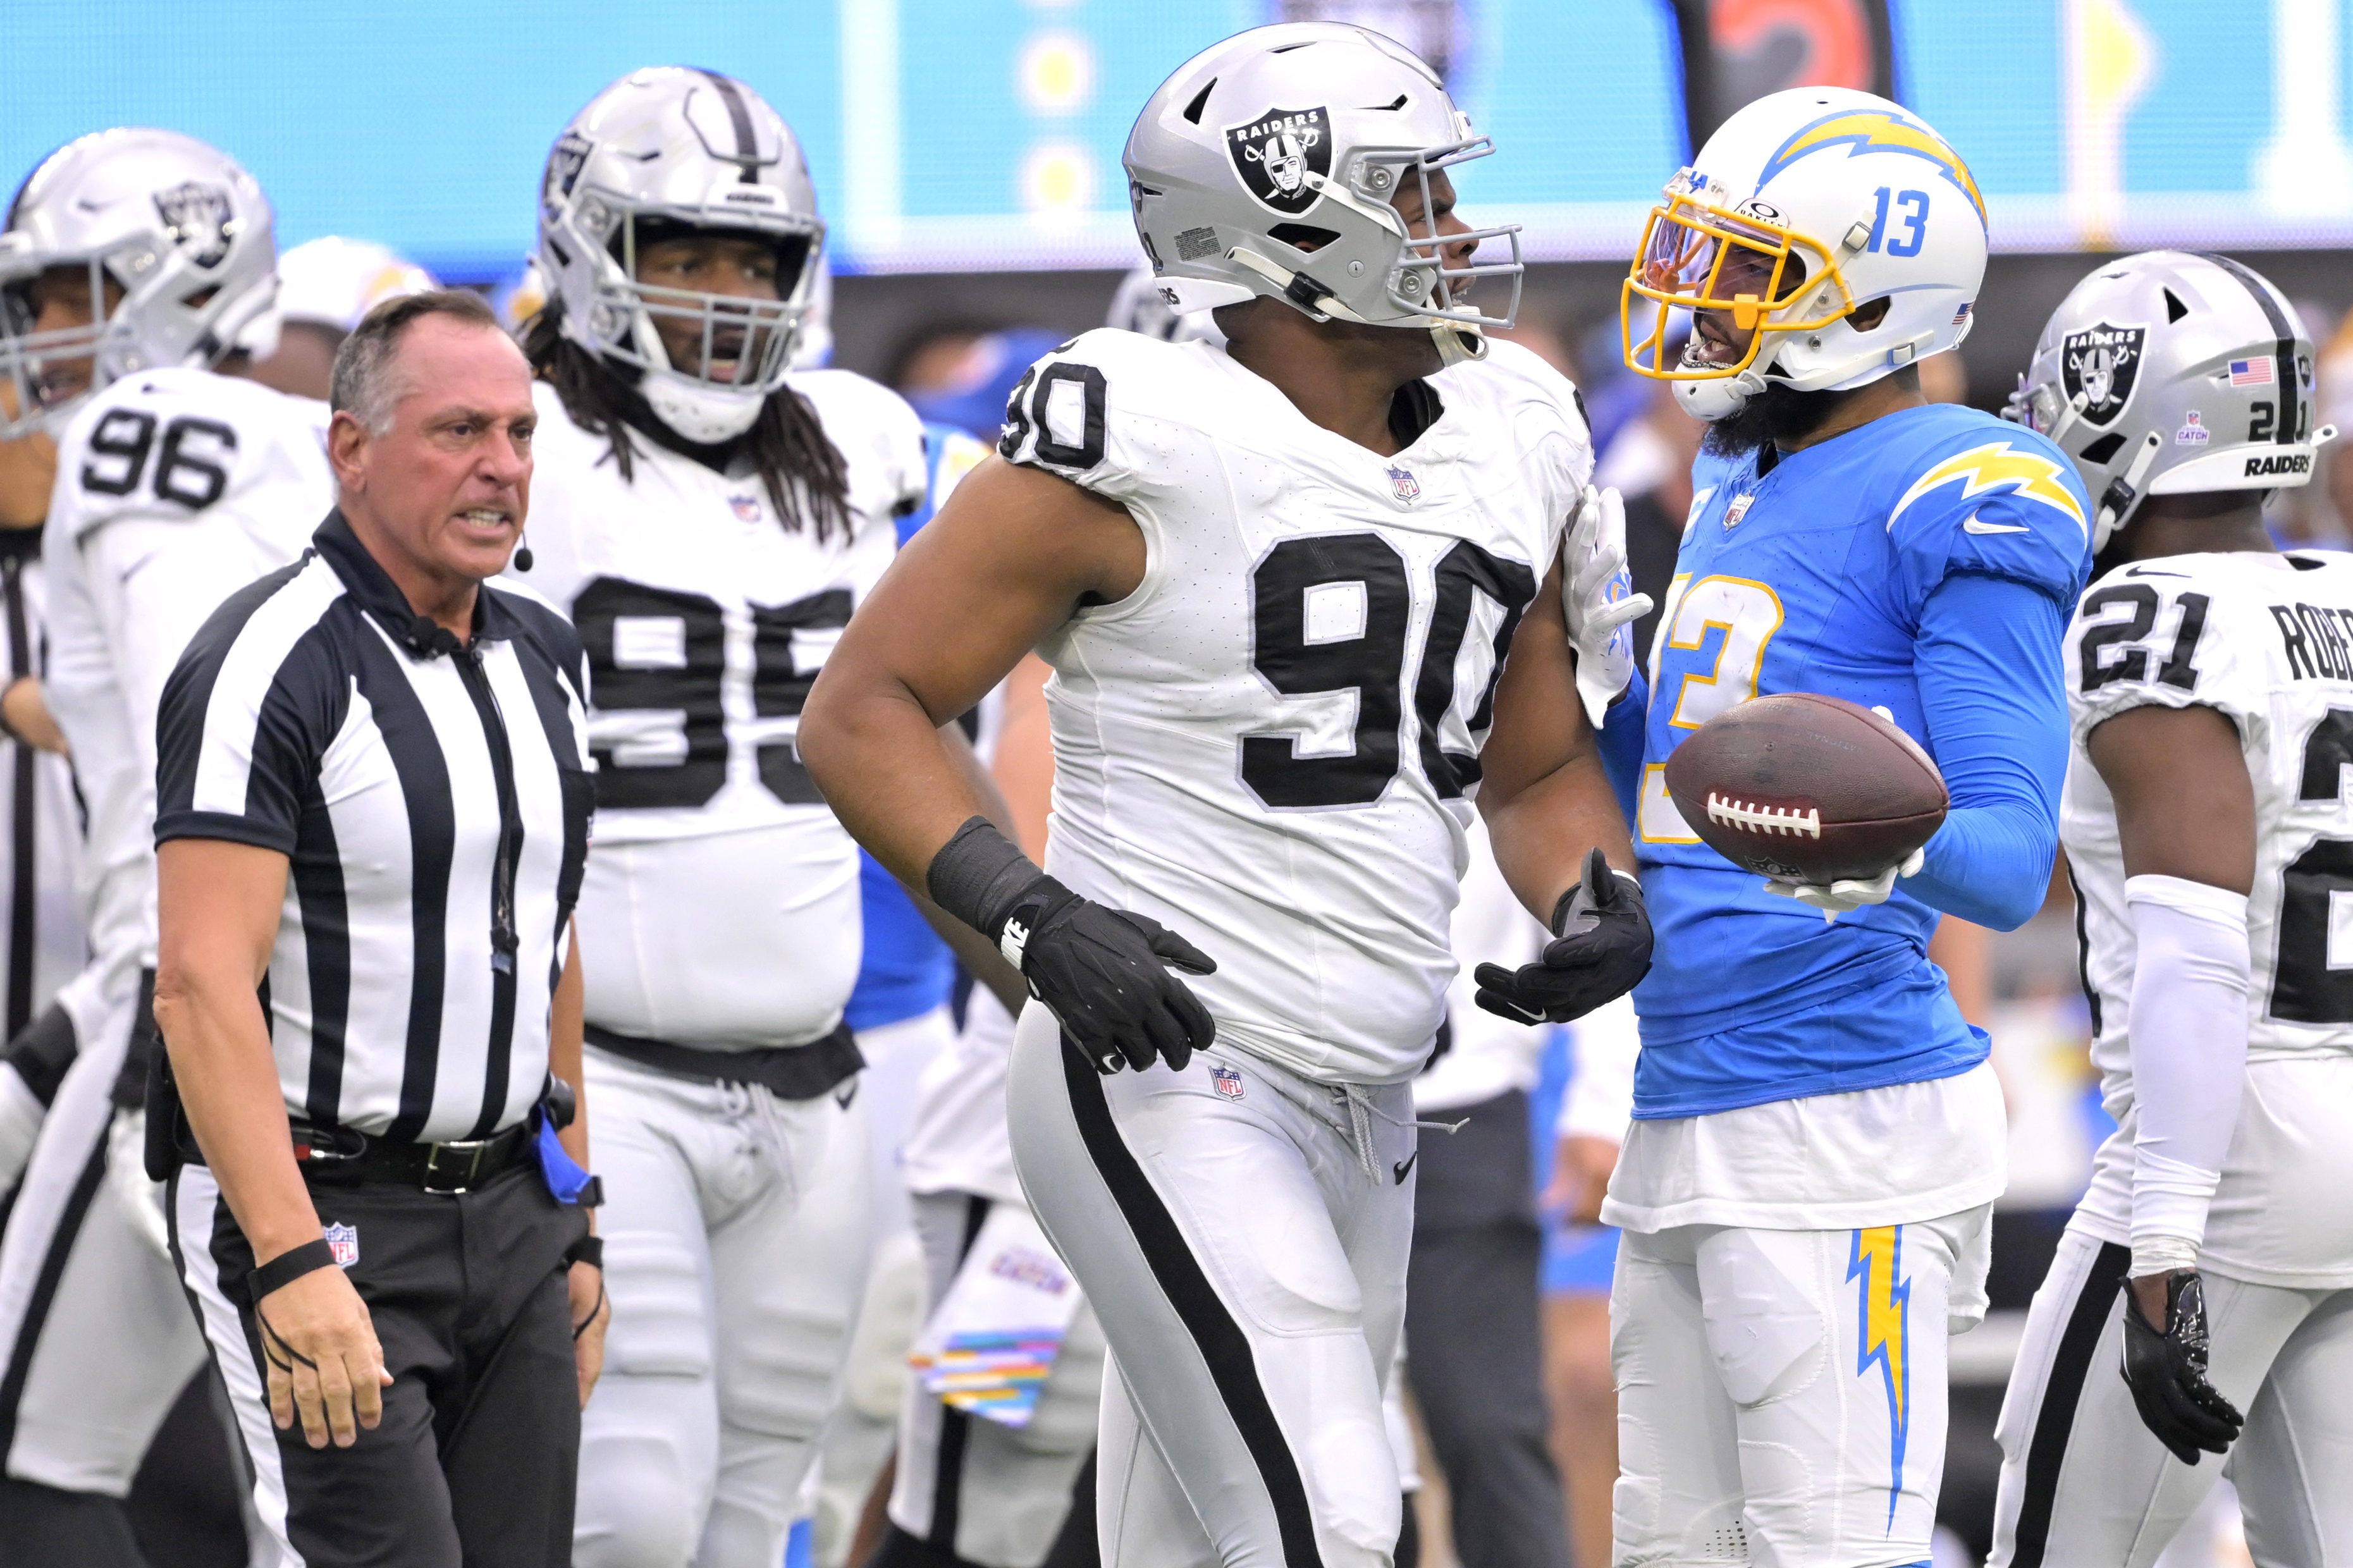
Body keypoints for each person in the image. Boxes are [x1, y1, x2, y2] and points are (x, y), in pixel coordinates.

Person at [801, 23, 1652, 1568]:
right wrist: (1030, 912)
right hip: (1168, 1062)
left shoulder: (1515, 432)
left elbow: (1531, 762)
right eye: (1417, 197)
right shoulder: (1139, 430)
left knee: (1196, 1539)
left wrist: (1591, 890)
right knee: (1327, 1514)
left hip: (1381, 1088)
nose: (1454, 232)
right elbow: (864, 707)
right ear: (1290, 222)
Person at [1598, 87, 2094, 1564]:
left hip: (1842, 1111)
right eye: (1698, 256)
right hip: (1686, 1092)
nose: (1698, 298)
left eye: (1747, 271)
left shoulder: (1960, 482)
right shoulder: (1735, 479)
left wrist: (1840, 807)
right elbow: (1689, 774)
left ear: (1870, 298)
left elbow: (2006, 863)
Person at [516, 67, 995, 1568]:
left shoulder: (864, 444)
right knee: (633, 1504)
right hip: (611, 1071)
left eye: (753, 258)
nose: (724, 294)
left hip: (818, 1078)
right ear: (594, 250)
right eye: (681, 253)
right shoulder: (523, 443)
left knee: (763, 1507)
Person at [152, 288, 603, 1567]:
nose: (502, 468)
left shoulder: (546, 658)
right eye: (459, 430)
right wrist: (290, 1257)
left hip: (512, 1205)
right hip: (325, 1198)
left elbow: (546, 942)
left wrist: (578, 1214)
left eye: (519, 433)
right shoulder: (268, 656)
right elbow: (195, 985)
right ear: (349, 447)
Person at [1989, 250, 2353, 1565]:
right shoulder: (2340, 591)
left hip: (2225, 1142)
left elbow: (2196, 948)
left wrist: (2164, 1237)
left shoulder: (2146, 614)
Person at [0, 127, 321, 1565]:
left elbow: (206, 726)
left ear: (168, 283)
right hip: (288, 1001)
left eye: (64, 295)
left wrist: (158, 1011)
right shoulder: (305, 449)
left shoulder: (139, 442)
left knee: (43, 1455)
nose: (37, 333)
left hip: (190, 1000)